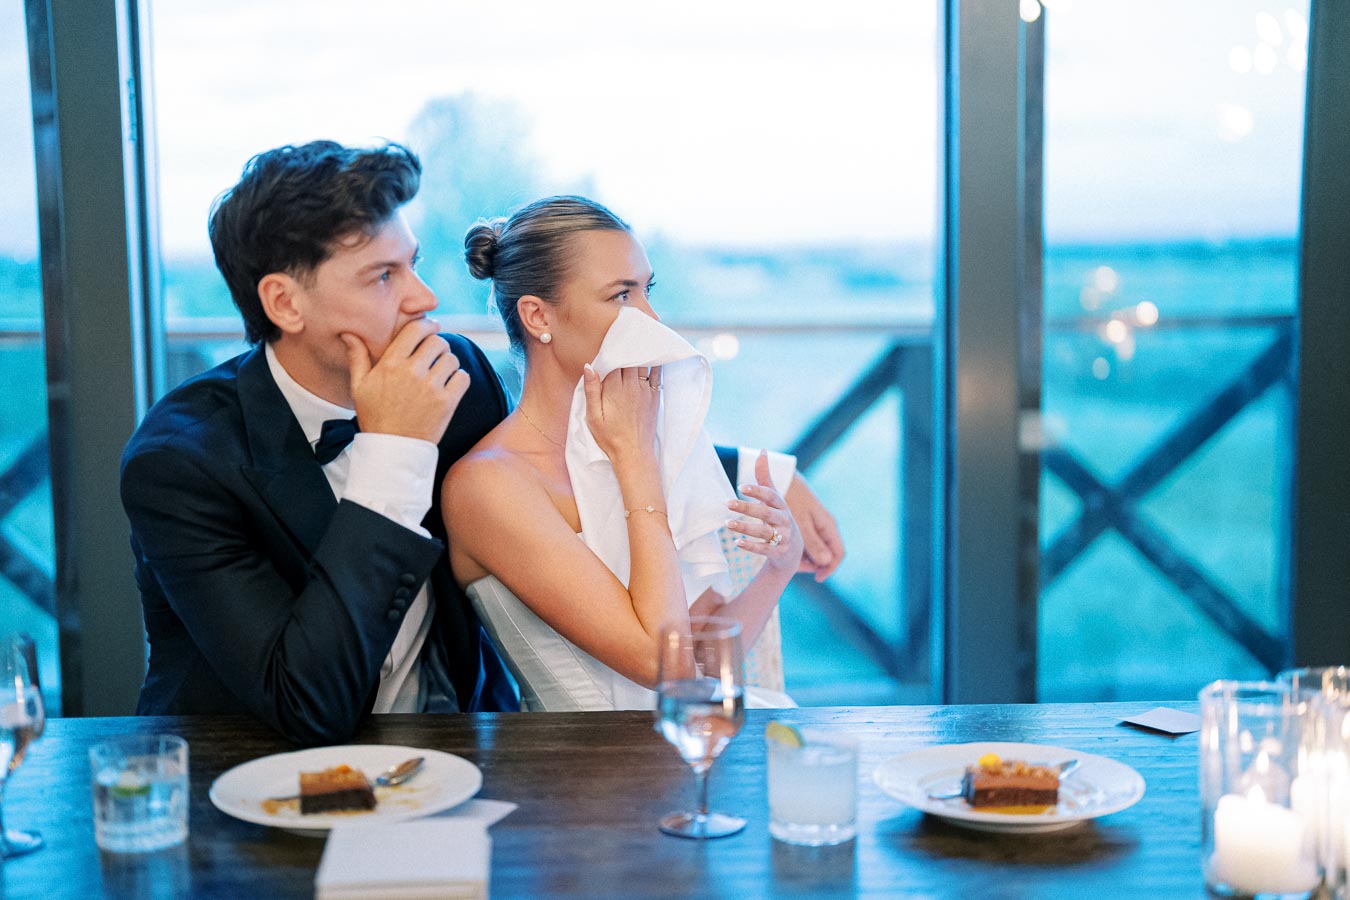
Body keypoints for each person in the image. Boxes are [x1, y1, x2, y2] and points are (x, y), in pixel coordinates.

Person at [122, 141, 843, 743]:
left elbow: (557, 451)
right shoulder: (183, 465)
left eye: (412, 263)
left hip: (461, 750)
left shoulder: (454, 375)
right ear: (285, 302)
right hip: (245, 774)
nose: (423, 298)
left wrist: (764, 471)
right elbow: (304, 705)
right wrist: (393, 453)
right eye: (383, 276)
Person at [442, 196, 808, 711]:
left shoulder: (647, 439)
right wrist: (635, 463)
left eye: (647, 291)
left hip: (686, 741)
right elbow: (665, 666)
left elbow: (703, 663)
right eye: (621, 295)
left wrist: (779, 567)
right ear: (538, 315)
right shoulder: (488, 485)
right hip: (584, 758)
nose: (652, 318)